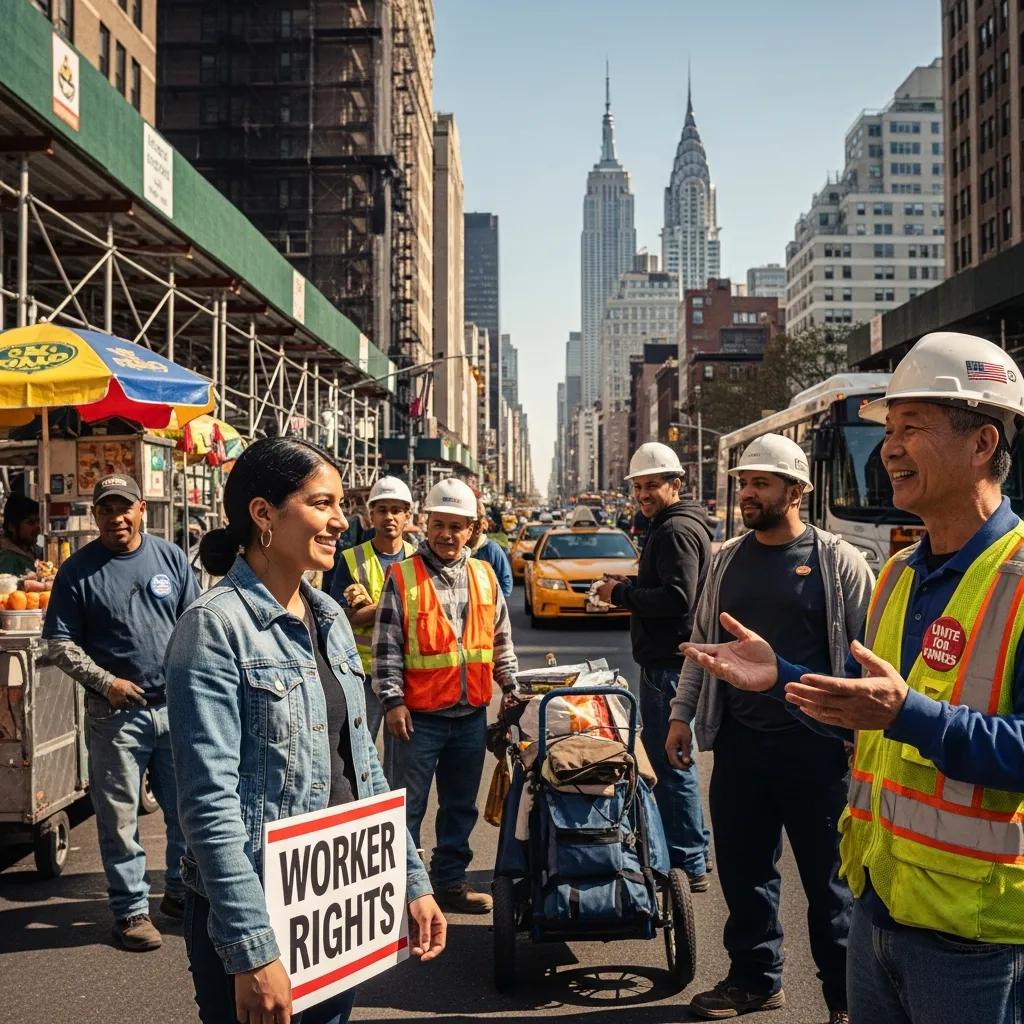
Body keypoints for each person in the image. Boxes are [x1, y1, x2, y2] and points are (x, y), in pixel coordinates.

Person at [681, 332, 1024, 1024]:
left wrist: (909, 715)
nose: (890, 449)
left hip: (977, 943)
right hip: (879, 914)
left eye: (911, 429)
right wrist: (779, 677)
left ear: (982, 444)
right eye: (888, 431)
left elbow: (916, 719)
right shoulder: (898, 573)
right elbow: (860, 707)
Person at [165, 437, 445, 1024]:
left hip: (336, 898)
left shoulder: (330, 617)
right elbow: (207, 803)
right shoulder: (213, 627)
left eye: (342, 504)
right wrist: (251, 948)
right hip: (258, 905)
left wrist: (410, 879)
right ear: (263, 514)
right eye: (323, 504)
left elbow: (362, 763)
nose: (342, 521)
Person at [668, 434, 873, 1023]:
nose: (748, 492)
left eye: (761, 482)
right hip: (739, 746)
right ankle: (755, 980)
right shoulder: (726, 557)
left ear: (797, 490)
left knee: (831, 887)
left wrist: (861, 739)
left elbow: (865, 656)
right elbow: (703, 647)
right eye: (744, 482)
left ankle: (845, 998)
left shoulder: (840, 561)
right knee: (744, 872)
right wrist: (683, 715)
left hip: (819, 752)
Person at [42, 474, 199, 951]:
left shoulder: (171, 558)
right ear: (96, 517)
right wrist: (106, 684)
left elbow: (196, 625)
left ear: (141, 510)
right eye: (107, 509)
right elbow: (60, 644)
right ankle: (131, 912)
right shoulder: (77, 571)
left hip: (174, 710)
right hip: (115, 717)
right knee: (119, 820)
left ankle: (177, 893)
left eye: (124, 507)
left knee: (188, 811)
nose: (117, 518)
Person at [374, 477, 519, 915]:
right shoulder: (402, 576)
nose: (447, 535)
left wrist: (511, 689)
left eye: (457, 526)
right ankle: (402, 894)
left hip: (470, 715)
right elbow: (386, 646)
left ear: (473, 530)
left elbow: (500, 642)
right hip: (417, 718)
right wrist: (393, 700)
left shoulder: (484, 574)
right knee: (406, 808)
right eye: (439, 524)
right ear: (426, 524)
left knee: (460, 808)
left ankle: (450, 884)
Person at [594, 441, 713, 891]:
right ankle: (693, 849)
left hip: (669, 666)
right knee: (676, 759)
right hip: (669, 662)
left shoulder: (674, 531)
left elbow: (678, 599)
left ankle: (686, 863)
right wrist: (632, 585)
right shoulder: (672, 525)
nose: (643, 494)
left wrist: (620, 595)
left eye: (652, 485)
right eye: (638, 487)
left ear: (675, 484)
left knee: (672, 761)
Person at [330, 475, 418, 741]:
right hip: (362, 674)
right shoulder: (351, 559)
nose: (389, 517)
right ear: (370, 516)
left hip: (407, 672)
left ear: (407, 516)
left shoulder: (419, 560)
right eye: (382, 510)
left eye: (396, 510)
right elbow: (341, 617)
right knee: (358, 751)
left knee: (400, 758)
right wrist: (392, 605)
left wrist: (368, 609)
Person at [469, 498, 513, 597]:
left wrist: (498, 605)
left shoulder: (492, 549)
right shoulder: (458, 550)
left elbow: (506, 581)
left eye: (475, 528)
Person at [0, 493, 41, 574]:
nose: (38, 528)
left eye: (38, 521)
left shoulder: (30, 551)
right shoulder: (6, 561)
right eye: (31, 523)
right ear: (12, 527)